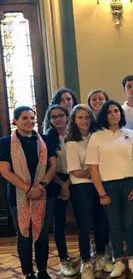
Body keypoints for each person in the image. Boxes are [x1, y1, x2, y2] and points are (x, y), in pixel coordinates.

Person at [86, 100, 133, 277]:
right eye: (109, 112)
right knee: (115, 225)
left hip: (130, 183)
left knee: (130, 222)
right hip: (108, 186)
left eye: (116, 111)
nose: (113, 114)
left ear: (121, 114)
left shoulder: (130, 134)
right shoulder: (96, 137)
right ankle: (119, 260)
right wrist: (101, 193)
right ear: (104, 115)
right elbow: (93, 168)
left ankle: (132, 257)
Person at [0, 106, 57, 279]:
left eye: (32, 118)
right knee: (24, 234)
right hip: (18, 195)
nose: (30, 121)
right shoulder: (4, 142)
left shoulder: (45, 140)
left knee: (41, 233)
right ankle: (28, 272)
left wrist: (41, 186)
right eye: (25, 118)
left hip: (44, 193)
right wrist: (28, 189)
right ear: (15, 121)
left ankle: (42, 270)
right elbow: (5, 171)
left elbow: (53, 165)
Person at [66, 104, 112, 278]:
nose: (84, 121)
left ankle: (101, 257)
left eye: (87, 117)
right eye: (80, 117)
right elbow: (76, 171)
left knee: (102, 223)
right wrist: (94, 172)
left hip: (99, 186)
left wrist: (95, 172)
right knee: (85, 226)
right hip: (81, 188)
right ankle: (86, 261)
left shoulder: (97, 137)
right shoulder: (72, 143)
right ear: (74, 120)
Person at [42, 105, 77, 276]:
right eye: (53, 116)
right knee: (59, 221)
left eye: (60, 115)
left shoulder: (75, 134)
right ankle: (64, 258)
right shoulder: (47, 138)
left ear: (67, 116)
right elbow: (49, 166)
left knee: (84, 218)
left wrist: (69, 183)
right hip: (55, 181)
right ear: (49, 120)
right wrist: (62, 185)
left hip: (76, 178)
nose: (57, 119)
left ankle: (89, 254)